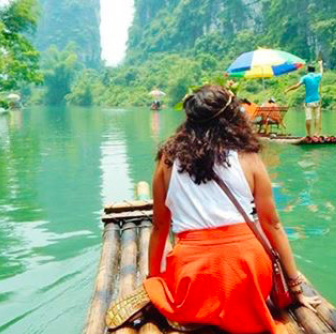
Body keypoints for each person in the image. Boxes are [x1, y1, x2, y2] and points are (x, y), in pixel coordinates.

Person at [138, 86, 319, 333]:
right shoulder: (248, 156)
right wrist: (295, 291)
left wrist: (153, 280)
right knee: (241, 275)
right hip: (249, 273)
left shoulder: (167, 160)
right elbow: (273, 225)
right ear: (232, 118)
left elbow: (160, 226)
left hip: (194, 276)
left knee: (170, 282)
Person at [285, 60, 323, 137]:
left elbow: (297, 86)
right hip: (317, 101)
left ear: (307, 70)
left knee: (308, 118)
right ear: (314, 70)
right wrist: (320, 64)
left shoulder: (305, 77)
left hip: (308, 101)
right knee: (317, 117)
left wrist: (288, 89)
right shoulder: (317, 76)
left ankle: (308, 134)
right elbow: (322, 72)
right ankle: (316, 134)